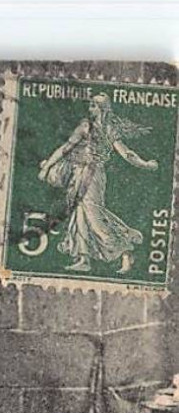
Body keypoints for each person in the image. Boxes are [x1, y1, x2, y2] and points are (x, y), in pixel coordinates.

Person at [38, 91, 160, 275]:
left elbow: (126, 152)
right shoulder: (84, 127)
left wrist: (145, 164)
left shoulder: (110, 129)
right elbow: (65, 148)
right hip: (79, 173)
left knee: (94, 215)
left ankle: (125, 249)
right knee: (80, 214)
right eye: (90, 105)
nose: (90, 108)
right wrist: (47, 166)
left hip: (95, 175)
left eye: (94, 105)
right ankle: (83, 258)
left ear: (102, 108)